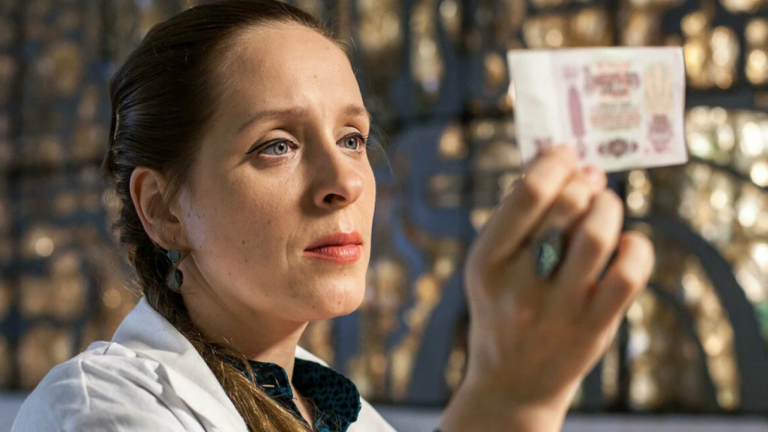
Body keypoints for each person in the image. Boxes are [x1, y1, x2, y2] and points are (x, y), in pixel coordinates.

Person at [10, 1, 655, 431]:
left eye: (352, 138)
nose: (344, 182)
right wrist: (508, 402)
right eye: (276, 146)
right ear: (162, 208)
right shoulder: (96, 410)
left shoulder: (348, 416)